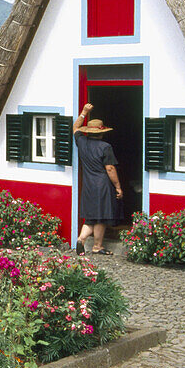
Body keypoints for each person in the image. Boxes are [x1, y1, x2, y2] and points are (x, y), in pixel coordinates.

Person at [72, 103, 123, 255]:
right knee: (101, 217)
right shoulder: (105, 147)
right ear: (102, 133)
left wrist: (84, 112)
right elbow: (110, 168)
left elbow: (75, 128)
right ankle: (97, 246)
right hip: (102, 184)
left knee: (90, 217)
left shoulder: (82, 142)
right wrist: (118, 187)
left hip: (88, 184)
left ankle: (81, 239)